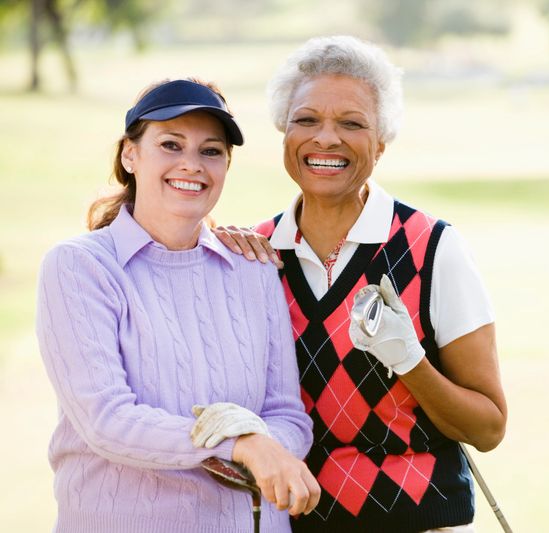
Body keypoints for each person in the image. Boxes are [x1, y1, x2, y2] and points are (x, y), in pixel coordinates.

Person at [214, 36, 508, 533]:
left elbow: (487, 427)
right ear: (285, 132)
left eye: (351, 124)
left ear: (380, 144)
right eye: (307, 120)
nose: (326, 139)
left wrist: (410, 361)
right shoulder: (254, 254)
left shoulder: (433, 248)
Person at [35, 78, 320, 533]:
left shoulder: (254, 268)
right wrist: (239, 443)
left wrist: (259, 446)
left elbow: (287, 416)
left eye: (211, 151)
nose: (192, 164)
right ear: (131, 154)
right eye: (171, 144)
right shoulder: (79, 267)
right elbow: (107, 419)